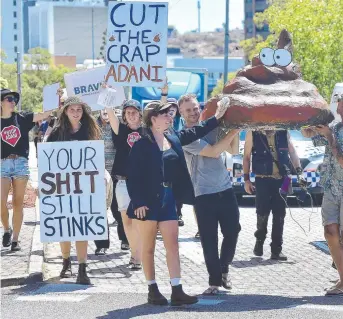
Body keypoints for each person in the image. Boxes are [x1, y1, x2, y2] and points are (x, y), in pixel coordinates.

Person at [126, 99, 228, 306]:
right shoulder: (141, 145)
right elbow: (133, 176)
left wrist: (217, 118)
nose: (169, 117)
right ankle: (152, 289)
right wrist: (138, 203)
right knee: (148, 248)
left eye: (169, 114)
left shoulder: (173, 138)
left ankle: (177, 290)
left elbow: (197, 131)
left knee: (173, 245)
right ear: (153, 119)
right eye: (165, 114)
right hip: (146, 202)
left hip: (169, 199)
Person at [179, 94, 241, 295]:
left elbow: (233, 150)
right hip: (203, 194)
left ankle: (224, 269)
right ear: (181, 113)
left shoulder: (211, 126)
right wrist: (233, 131)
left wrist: (233, 128)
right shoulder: (185, 136)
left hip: (225, 189)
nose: (193, 112)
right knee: (209, 239)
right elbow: (214, 151)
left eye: (195, 108)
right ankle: (214, 281)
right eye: (188, 110)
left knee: (233, 231)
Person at [47, 96, 102, 284]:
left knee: (82, 228)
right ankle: (65, 260)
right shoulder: (56, 133)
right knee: (64, 228)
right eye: (73, 110)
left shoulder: (89, 130)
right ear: (66, 111)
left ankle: (82, 268)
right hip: (63, 187)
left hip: (84, 187)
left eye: (79, 110)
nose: (76, 113)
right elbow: (48, 160)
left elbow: (95, 158)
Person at [1, 88, 56, 251]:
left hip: (20, 163)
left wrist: (55, 97)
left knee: (18, 202)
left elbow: (45, 114)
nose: (13, 102)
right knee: (1, 201)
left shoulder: (22, 117)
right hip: (2, 163)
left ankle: (16, 240)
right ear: (1, 102)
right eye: (9, 99)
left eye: (14, 100)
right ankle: (6, 229)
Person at [302, 95, 343, 296]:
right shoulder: (335, 127)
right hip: (330, 186)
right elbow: (309, 135)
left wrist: (329, 137)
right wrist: (307, 127)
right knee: (330, 232)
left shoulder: (332, 132)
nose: (340, 104)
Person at [243, 129, 302, 261]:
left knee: (280, 214)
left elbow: (292, 152)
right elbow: (246, 157)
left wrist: (299, 172)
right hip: (262, 178)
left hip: (284, 179)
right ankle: (260, 238)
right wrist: (246, 179)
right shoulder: (252, 133)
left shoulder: (283, 132)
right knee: (262, 212)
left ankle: (276, 250)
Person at [105, 99, 144, 270]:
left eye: (134, 111)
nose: (131, 115)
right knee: (126, 222)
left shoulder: (147, 132)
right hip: (122, 181)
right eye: (128, 112)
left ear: (140, 114)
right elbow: (111, 114)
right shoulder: (120, 131)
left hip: (142, 183)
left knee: (139, 221)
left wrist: (164, 94)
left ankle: (139, 256)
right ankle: (134, 253)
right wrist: (107, 95)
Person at [95, 109, 128, 254]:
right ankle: (101, 244)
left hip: (116, 173)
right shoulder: (91, 124)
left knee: (119, 209)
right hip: (97, 174)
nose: (106, 111)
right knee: (99, 210)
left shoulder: (119, 122)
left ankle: (126, 239)